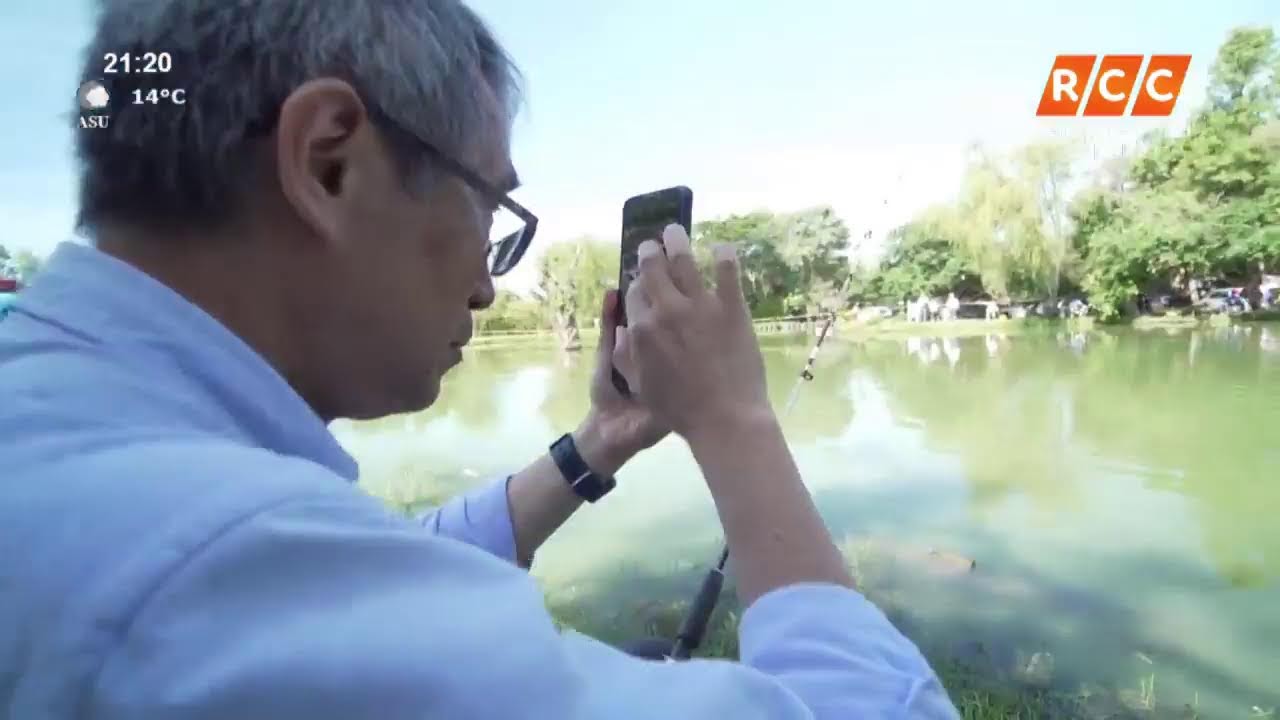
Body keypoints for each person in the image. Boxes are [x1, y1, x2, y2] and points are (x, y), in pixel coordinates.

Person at [0, 1, 956, 718]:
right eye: (491, 211)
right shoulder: (207, 566)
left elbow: (376, 567)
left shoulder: (75, 422)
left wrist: (602, 441)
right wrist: (735, 420)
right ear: (330, 163)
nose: (488, 289)